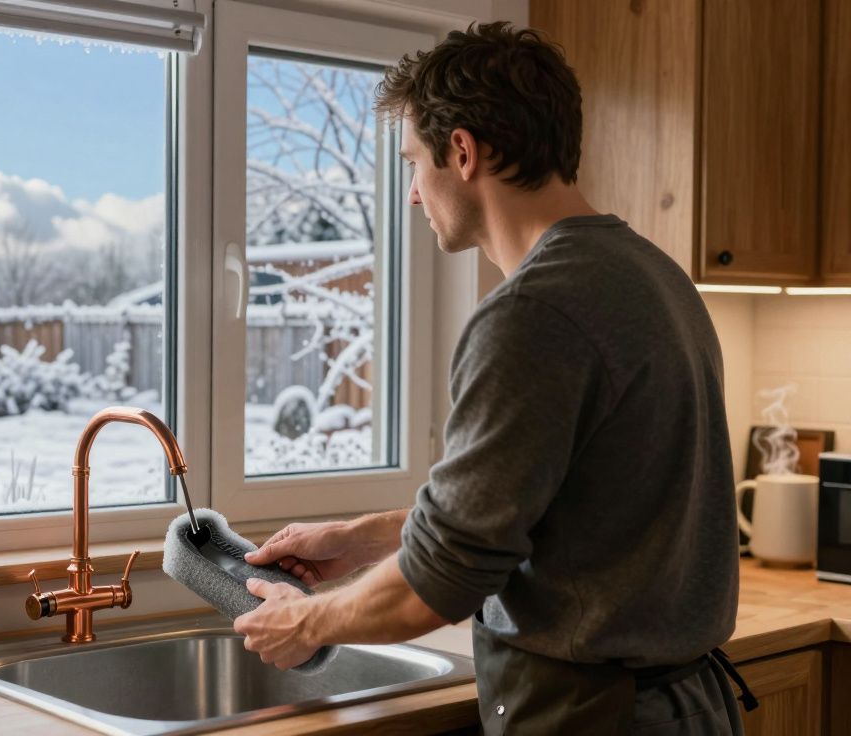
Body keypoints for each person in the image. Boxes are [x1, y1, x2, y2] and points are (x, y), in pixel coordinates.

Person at [233, 22, 752, 735]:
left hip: (596, 715)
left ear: (464, 152)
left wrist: (307, 620)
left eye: (414, 162)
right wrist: (363, 539)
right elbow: (562, 513)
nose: (413, 194)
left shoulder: (531, 314)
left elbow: (439, 586)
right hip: (681, 705)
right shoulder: (651, 276)